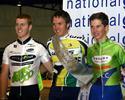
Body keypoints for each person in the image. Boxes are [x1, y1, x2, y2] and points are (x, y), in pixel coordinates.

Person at [0, 14, 53, 100]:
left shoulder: (39, 47)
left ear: (29, 27)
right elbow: (4, 73)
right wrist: (2, 96)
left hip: (32, 91)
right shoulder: (8, 48)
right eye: (17, 24)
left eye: (22, 24)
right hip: (14, 91)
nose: (19, 27)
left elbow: (52, 69)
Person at [47, 10, 88, 100]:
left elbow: (91, 63)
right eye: (54, 24)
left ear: (68, 24)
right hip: (55, 89)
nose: (56, 27)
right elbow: (48, 63)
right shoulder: (50, 43)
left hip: (75, 89)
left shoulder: (80, 42)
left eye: (59, 24)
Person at [87, 12, 125, 100]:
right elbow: (88, 72)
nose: (94, 30)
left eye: (98, 26)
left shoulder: (117, 47)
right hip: (94, 92)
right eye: (92, 27)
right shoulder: (90, 49)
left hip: (113, 92)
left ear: (106, 27)